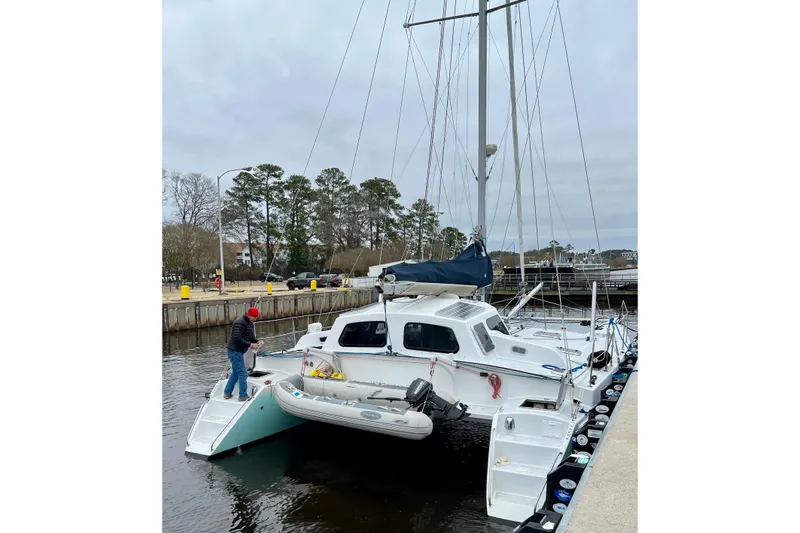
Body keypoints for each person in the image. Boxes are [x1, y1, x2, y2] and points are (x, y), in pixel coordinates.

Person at [224, 307, 260, 401]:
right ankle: (243, 395)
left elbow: (250, 336)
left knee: (236, 373)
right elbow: (237, 339)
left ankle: (227, 393)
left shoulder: (249, 323)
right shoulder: (239, 322)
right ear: (250, 315)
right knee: (243, 373)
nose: (255, 319)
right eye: (255, 317)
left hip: (238, 351)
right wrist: (250, 345)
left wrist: (257, 341)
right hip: (234, 351)